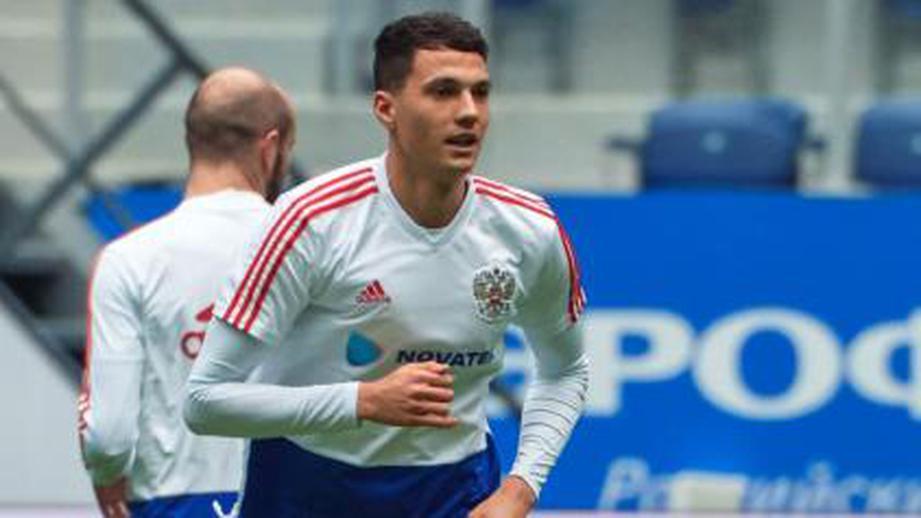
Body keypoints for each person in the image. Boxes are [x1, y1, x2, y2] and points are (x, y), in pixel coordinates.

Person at [184, 12, 589, 518]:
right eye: (443, 92)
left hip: (455, 490)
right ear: (386, 108)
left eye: (480, 93)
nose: (469, 112)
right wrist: (362, 402)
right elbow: (205, 402)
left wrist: (521, 488)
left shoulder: (529, 229)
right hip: (306, 485)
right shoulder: (309, 220)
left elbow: (566, 370)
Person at [78, 67, 297, 517]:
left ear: (192, 140)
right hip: (286, 498)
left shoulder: (127, 260)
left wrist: (106, 473)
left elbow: (109, 436)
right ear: (271, 147)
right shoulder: (309, 248)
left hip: (170, 504)